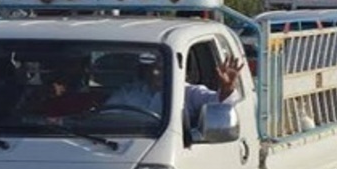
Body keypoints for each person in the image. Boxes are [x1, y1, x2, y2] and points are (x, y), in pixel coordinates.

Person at [104, 54, 242, 124]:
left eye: (162, 68)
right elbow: (106, 117)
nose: (156, 73)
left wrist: (226, 88)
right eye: (153, 68)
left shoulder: (189, 93)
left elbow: (219, 107)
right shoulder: (129, 92)